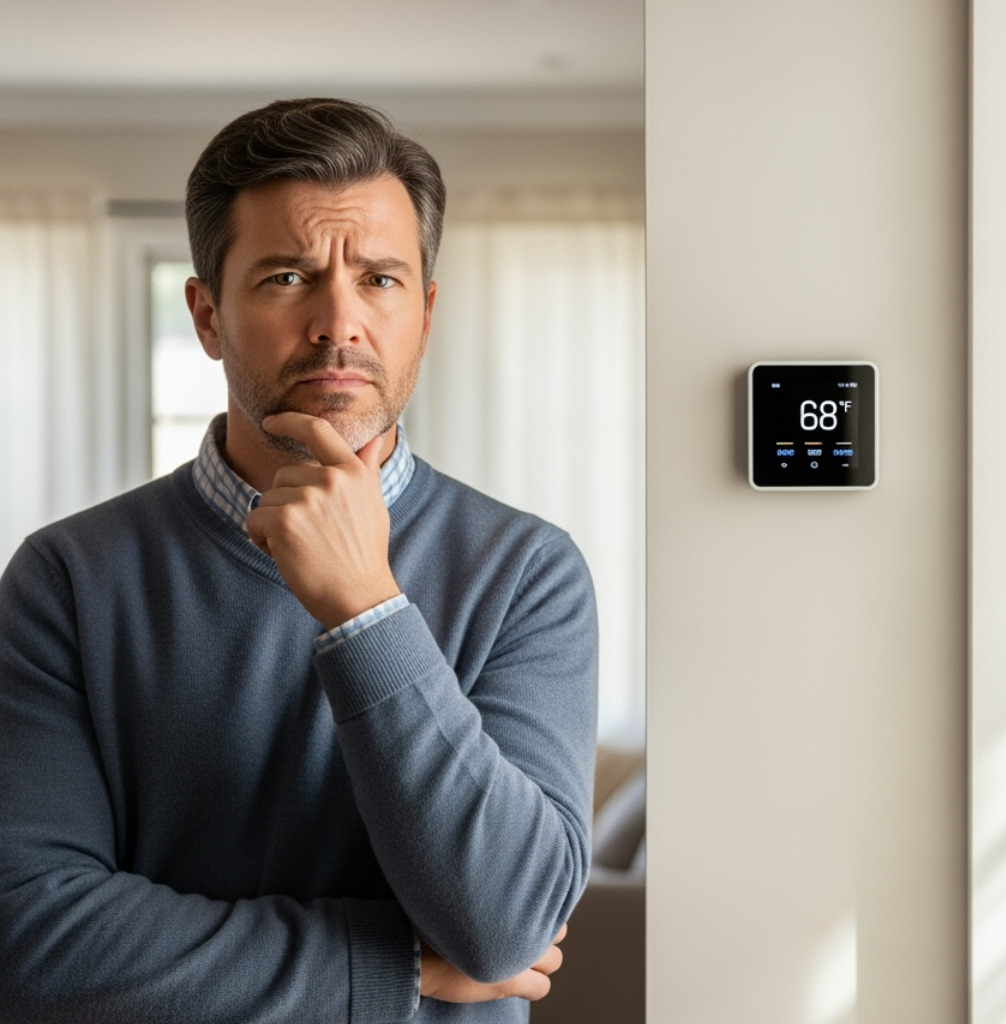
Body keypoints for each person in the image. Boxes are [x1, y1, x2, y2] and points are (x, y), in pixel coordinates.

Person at [0, 98, 598, 1022]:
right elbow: (29, 937)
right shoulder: (67, 579)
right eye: (287, 276)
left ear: (426, 316)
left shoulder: (529, 573)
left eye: (381, 280)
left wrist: (367, 609)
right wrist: (395, 967)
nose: (338, 322)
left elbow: (508, 929)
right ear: (206, 315)